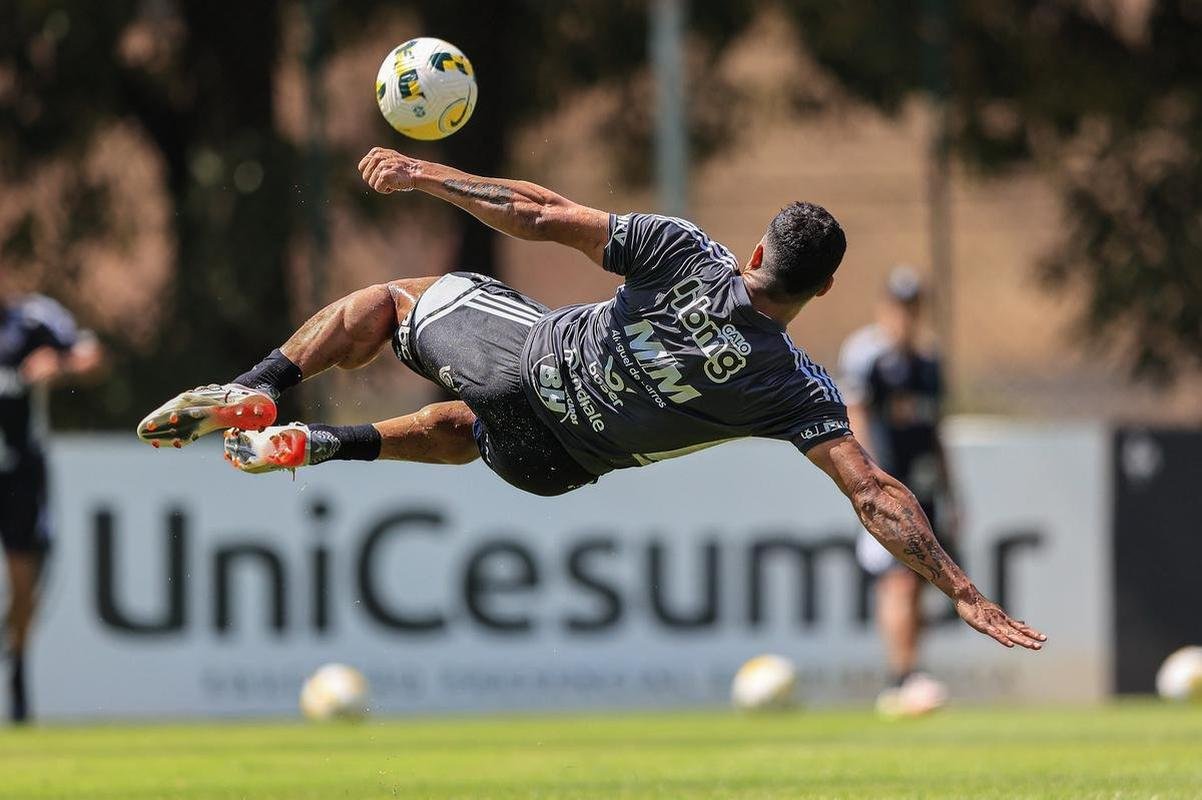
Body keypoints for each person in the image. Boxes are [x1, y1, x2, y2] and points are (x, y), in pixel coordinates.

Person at [137, 147, 1045, 654]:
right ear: (827, 287)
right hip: (557, 468)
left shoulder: (689, 253)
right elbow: (873, 493)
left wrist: (429, 177)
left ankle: (255, 390)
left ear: (757, 253)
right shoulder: (796, 387)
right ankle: (324, 445)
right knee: (467, 430)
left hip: (529, 360)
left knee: (389, 302)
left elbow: (537, 215)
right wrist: (961, 588)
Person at [839, 267, 960, 717]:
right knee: (899, 579)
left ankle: (907, 674)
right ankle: (903, 676)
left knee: (920, 580)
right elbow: (856, 418)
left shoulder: (929, 365)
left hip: (924, 490)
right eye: (898, 307)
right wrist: (867, 482)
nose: (905, 317)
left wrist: (953, 493)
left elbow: (938, 432)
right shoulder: (867, 356)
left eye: (912, 308)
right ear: (884, 308)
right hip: (887, 489)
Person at [0, 286, 103, 723]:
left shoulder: (32, 319)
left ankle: (18, 675)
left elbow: (91, 354)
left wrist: (57, 364)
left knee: (25, 581)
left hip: (21, 472)